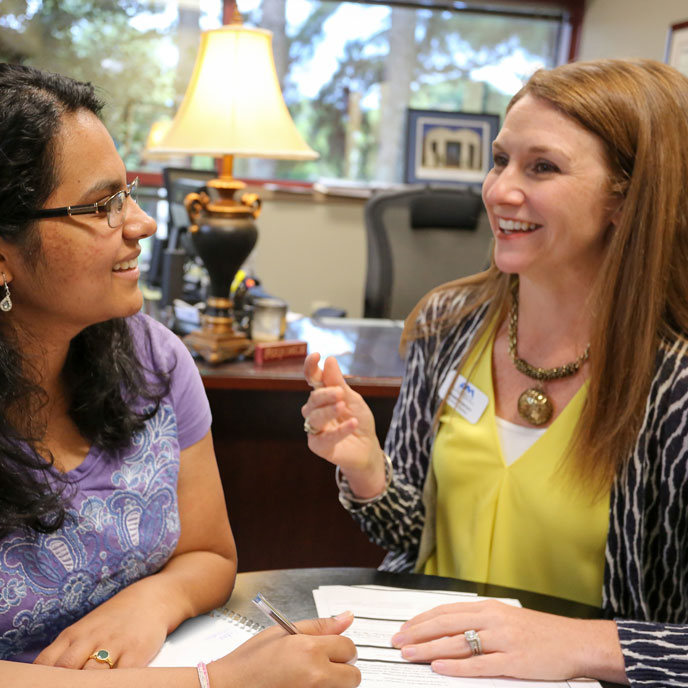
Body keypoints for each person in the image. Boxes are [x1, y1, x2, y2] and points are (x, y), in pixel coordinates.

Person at [302, 58, 688, 687]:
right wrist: (367, 468)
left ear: (628, 195)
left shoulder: (675, 387)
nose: (500, 190)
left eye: (542, 167)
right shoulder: (449, 323)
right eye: (500, 159)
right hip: (421, 670)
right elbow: (409, 533)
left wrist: (581, 644)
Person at [0, 63, 359, 688]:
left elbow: (210, 554)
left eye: (130, 192)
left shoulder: (154, 361)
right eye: (103, 205)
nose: (141, 223)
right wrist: (213, 682)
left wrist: (148, 602)